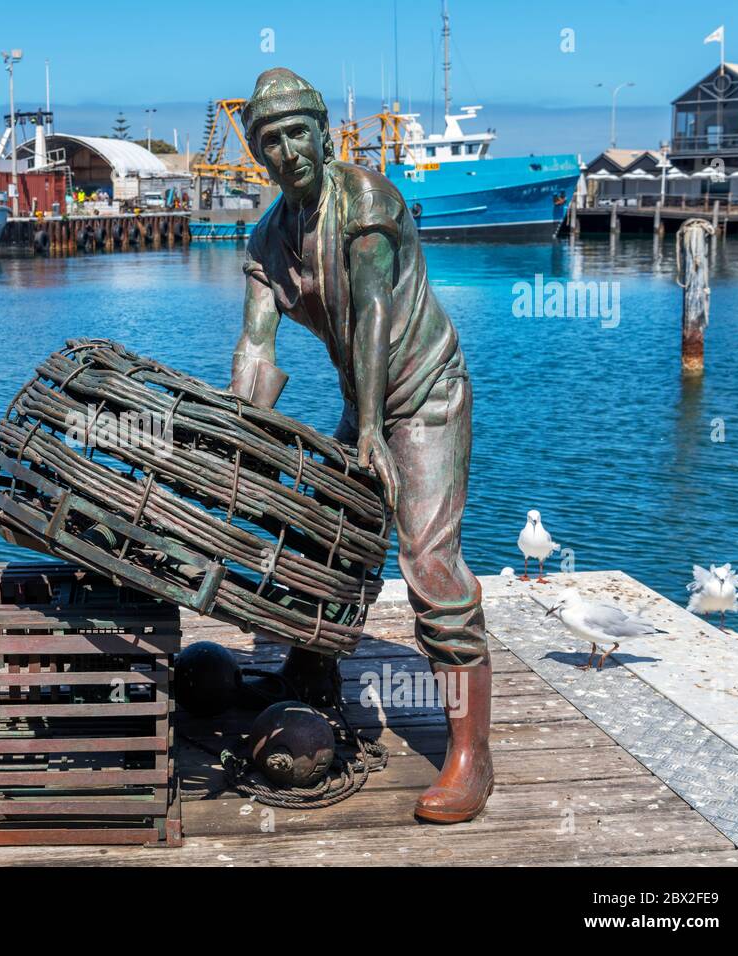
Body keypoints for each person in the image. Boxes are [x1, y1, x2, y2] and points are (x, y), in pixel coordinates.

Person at [229, 67, 492, 824]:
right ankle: (311, 676)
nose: (286, 151)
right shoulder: (269, 237)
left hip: (424, 396)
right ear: (259, 155)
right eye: (268, 141)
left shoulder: (369, 202)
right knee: (326, 538)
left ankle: (472, 757)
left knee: (429, 562)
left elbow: (372, 315)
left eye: (295, 132)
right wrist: (243, 438)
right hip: (366, 400)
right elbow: (255, 347)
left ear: (321, 131)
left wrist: (371, 431)